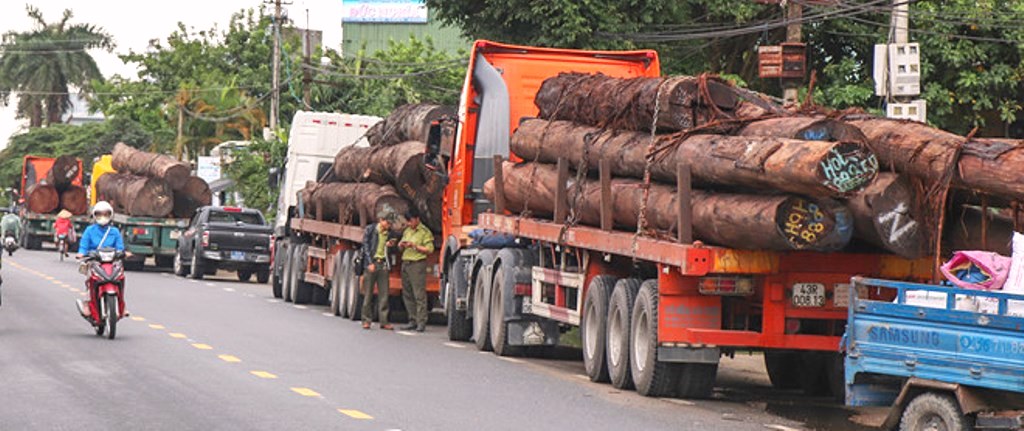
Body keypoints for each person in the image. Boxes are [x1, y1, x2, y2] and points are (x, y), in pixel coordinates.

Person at [75, 201, 126, 316]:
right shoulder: (89, 230)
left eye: (106, 214)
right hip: (94, 261)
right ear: (94, 215)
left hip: (111, 261)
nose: (103, 217)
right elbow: (84, 245)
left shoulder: (114, 231)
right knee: (90, 280)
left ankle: (122, 305)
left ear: (110, 215)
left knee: (120, 278)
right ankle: (87, 302)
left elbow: (120, 247)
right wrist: (81, 253)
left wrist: (123, 253)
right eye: (99, 214)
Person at [360, 212, 398, 330]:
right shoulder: (371, 230)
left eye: (390, 224)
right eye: (387, 222)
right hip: (372, 263)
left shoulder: (390, 234)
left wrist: (391, 245)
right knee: (368, 294)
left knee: (384, 294)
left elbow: (395, 249)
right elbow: (365, 246)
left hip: (383, 264)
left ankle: (384, 320)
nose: (388, 225)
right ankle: (366, 320)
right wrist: (369, 262)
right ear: (381, 220)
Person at [398, 209, 434, 332]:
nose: (409, 223)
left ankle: (421, 321)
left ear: (417, 219)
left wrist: (414, 246)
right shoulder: (407, 231)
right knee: (407, 293)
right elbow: (401, 246)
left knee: (419, 294)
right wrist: (401, 245)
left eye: (411, 221)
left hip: (417, 264)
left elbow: (429, 249)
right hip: (406, 263)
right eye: (408, 221)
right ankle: (412, 319)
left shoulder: (424, 232)